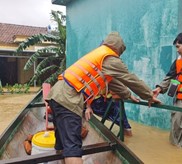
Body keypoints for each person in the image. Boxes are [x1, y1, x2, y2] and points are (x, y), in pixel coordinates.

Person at [46, 31, 161, 164]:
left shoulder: (99, 56)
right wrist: (149, 96)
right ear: (119, 49)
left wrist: (129, 95)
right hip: (68, 99)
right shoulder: (110, 58)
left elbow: (112, 82)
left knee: (62, 143)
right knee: (73, 148)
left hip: (57, 94)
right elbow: (130, 78)